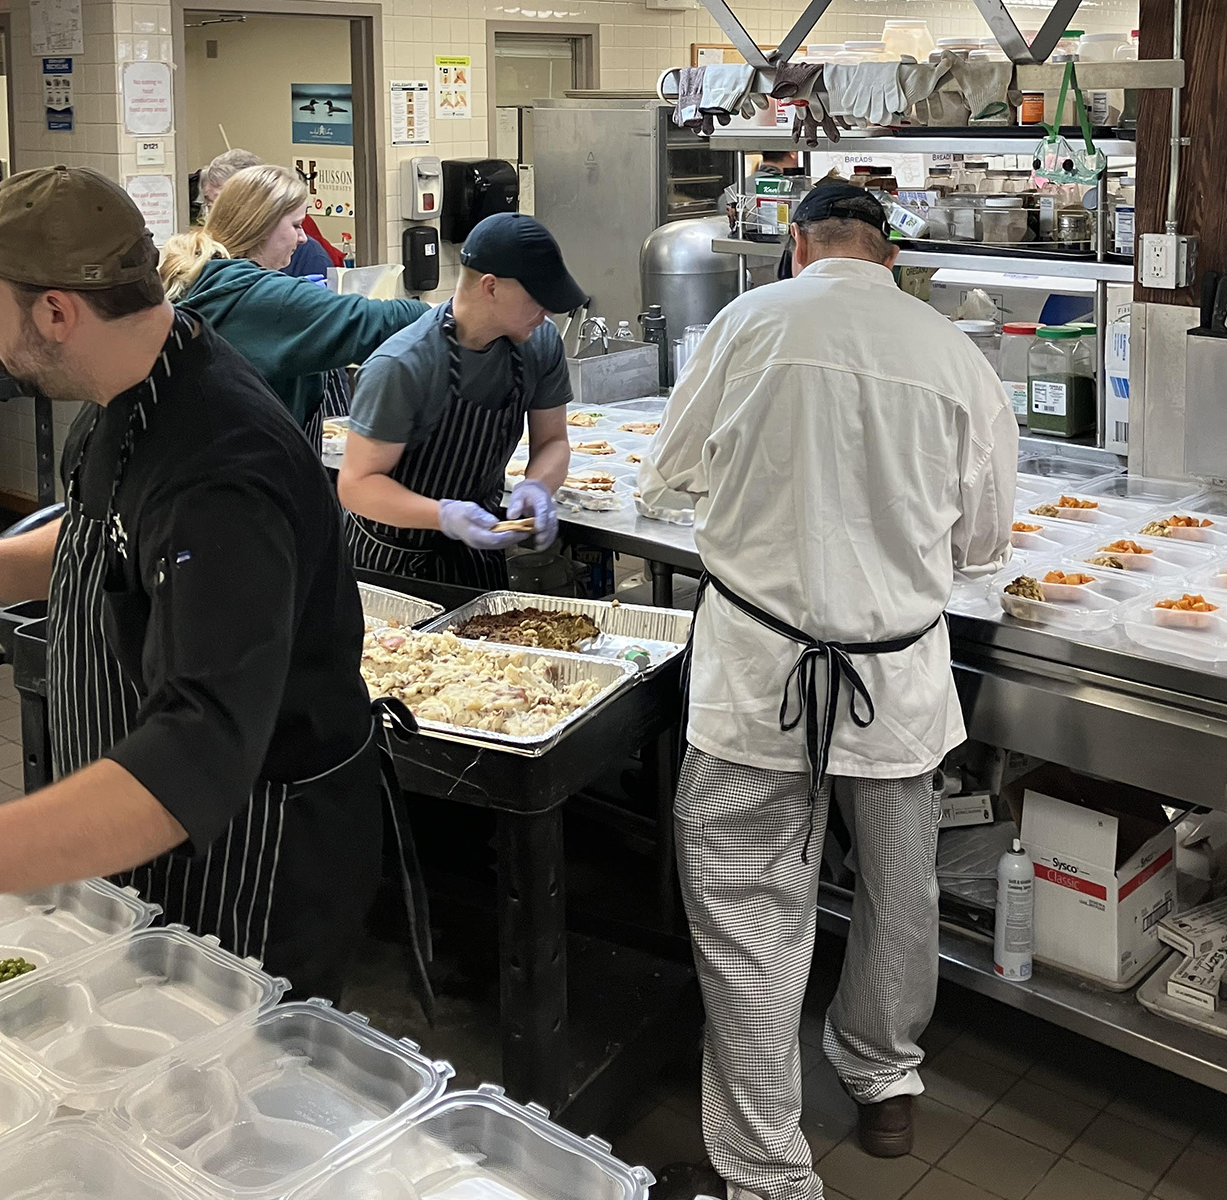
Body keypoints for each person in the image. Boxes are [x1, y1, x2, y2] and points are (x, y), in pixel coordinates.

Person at [0, 166, 424, 1004]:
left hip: (248, 857)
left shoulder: (220, 467)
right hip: (147, 841)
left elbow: (196, 751)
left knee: (222, 1106)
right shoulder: (126, 392)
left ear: (57, 312)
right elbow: (101, 543)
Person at [638, 184, 1017, 1200]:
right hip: (895, 677)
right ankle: (884, 1081)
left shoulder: (744, 325)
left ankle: (766, 1163)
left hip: (759, 674)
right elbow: (983, 545)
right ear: (887, 253)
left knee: (748, 904)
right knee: (901, 889)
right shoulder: (955, 356)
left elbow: (665, 480)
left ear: (796, 244)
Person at [338, 212, 587, 588]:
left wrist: (536, 486)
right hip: (389, 560)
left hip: (476, 556)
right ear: (490, 287)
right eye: (539, 298)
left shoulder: (539, 342)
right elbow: (356, 485)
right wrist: (444, 515)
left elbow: (553, 442)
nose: (547, 311)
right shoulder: (403, 367)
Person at [161, 164, 429, 434]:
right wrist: (446, 311)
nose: (303, 238)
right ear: (262, 224)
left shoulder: (200, 276)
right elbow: (375, 320)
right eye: (297, 225)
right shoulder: (259, 295)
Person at [201, 148, 343, 275]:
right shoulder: (206, 256)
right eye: (210, 204)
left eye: (225, 204)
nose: (214, 214)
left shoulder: (308, 254)